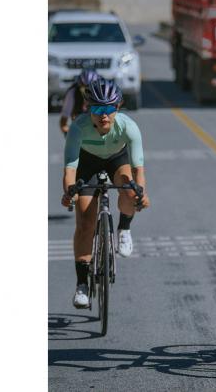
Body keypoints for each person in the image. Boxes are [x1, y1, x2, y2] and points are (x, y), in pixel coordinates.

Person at [61, 77, 150, 308]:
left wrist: (141, 194)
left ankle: (124, 228)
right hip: (87, 162)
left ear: (118, 107)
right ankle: (82, 284)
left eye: (109, 109)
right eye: (98, 109)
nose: (104, 115)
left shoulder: (128, 127)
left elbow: (138, 170)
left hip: (116, 159)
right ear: (88, 108)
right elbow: (70, 170)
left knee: (130, 191)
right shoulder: (78, 127)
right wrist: (69, 193)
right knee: (85, 223)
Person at [59, 68, 100, 135]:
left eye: (90, 88)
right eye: (84, 87)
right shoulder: (73, 93)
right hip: (79, 131)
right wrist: (69, 134)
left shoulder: (103, 94)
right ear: (79, 85)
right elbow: (63, 121)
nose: (87, 90)